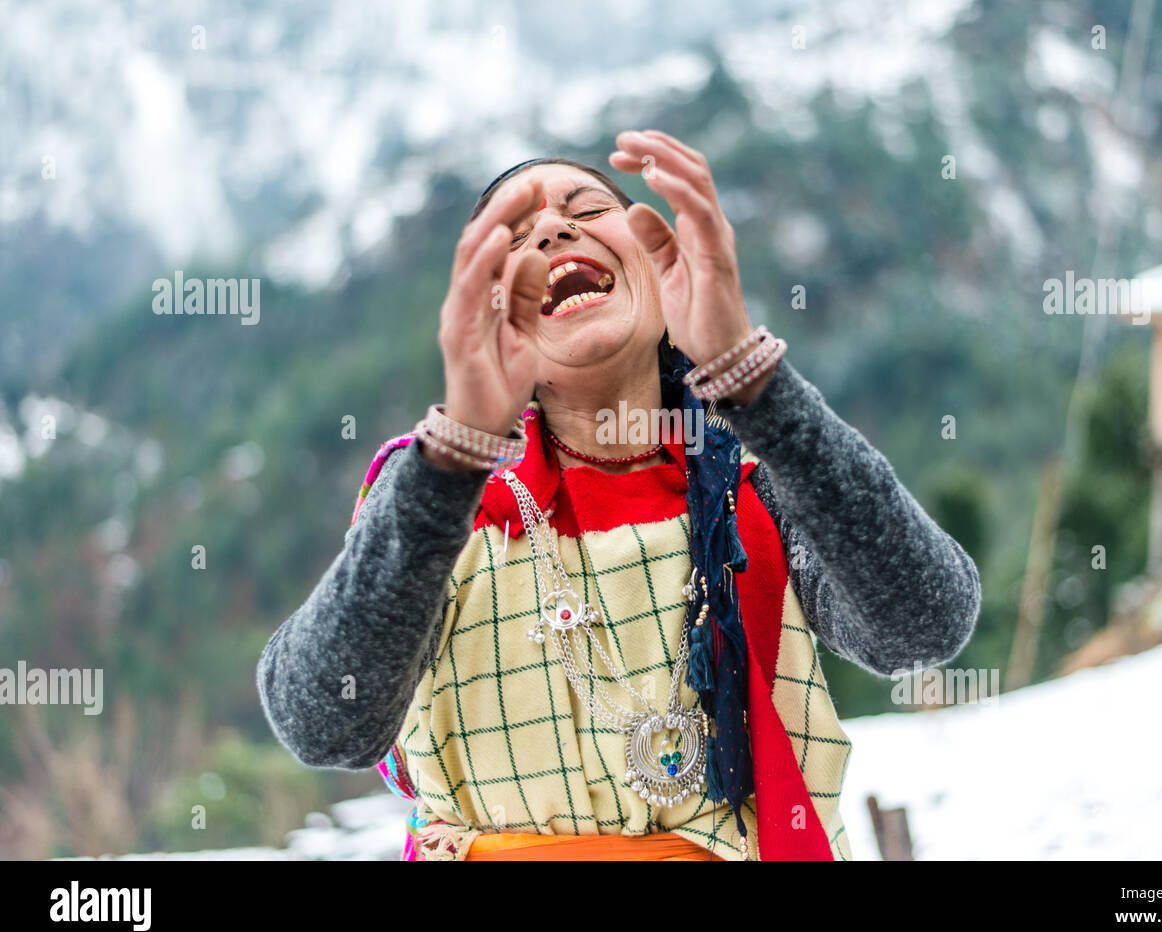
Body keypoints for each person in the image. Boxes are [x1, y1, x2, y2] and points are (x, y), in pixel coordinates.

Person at [256, 129, 982, 861]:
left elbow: (923, 626)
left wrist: (748, 378)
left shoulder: (760, 482)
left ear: (664, 270)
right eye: (513, 236)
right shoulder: (441, 504)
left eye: (588, 208)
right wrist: (456, 449)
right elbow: (326, 723)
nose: (551, 227)